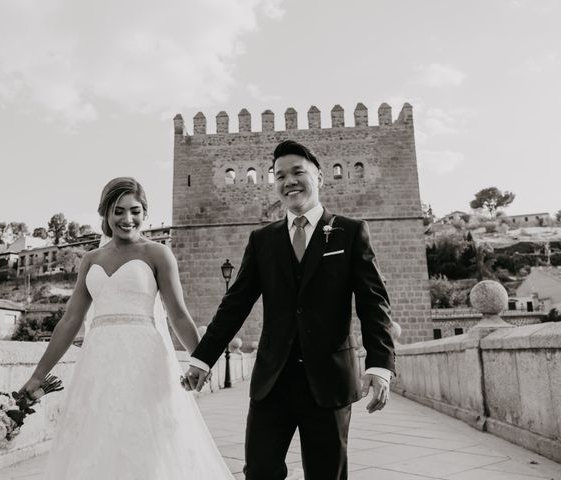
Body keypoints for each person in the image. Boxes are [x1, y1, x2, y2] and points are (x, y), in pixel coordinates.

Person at [184, 140, 396, 480]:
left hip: (328, 380)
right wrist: (202, 358)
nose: (289, 181)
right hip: (272, 381)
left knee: (327, 474)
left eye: (298, 172)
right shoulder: (262, 240)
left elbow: (373, 302)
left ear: (319, 177)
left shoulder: (350, 232)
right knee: (259, 471)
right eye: (280, 175)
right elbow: (234, 304)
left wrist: (380, 365)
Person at [20, 177, 233, 479]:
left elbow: (179, 316)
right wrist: (38, 375)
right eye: (118, 211)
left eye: (135, 210)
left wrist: (200, 360)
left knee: (149, 442)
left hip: (145, 361)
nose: (127, 219)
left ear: (145, 213)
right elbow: (70, 321)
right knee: (96, 443)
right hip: (98, 363)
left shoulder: (158, 254)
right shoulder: (90, 260)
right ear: (105, 214)